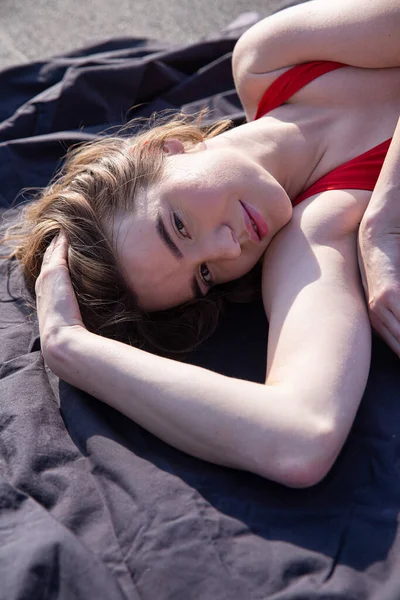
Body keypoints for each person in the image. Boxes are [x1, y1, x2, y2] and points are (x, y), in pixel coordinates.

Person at [3, 0, 400, 487]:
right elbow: (301, 436)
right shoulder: (314, 240)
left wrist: (386, 219)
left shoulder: (272, 59)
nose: (229, 251)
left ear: (160, 148)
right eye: (204, 276)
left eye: (180, 228)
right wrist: (71, 350)